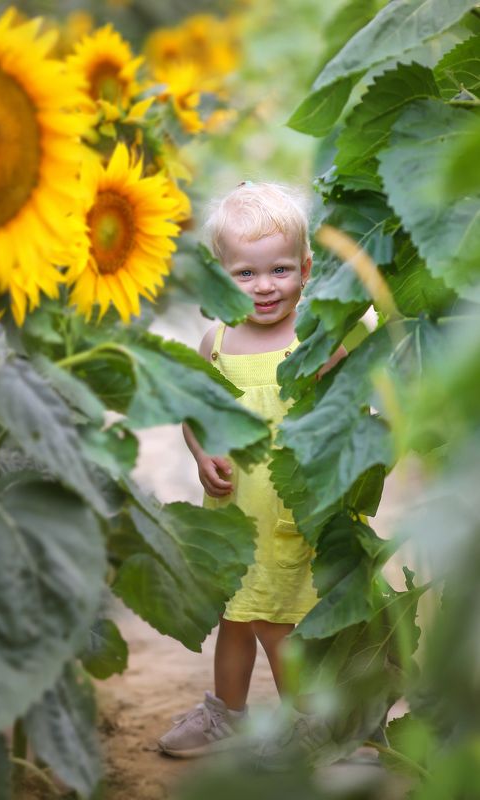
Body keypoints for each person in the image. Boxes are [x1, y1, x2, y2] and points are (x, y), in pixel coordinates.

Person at [158, 181, 346, 758]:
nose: (265, 287)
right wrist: (200, 451)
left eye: (280, 270)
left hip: (292, 513)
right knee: (235, 618)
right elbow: (195, 407)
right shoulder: (215, 342)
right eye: (245, 274)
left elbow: (351, 400)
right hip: (235, 515)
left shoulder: (316, 341)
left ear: (307, 269)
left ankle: (308, 724)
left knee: (278, 623)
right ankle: (226, 716)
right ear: (220, 278)